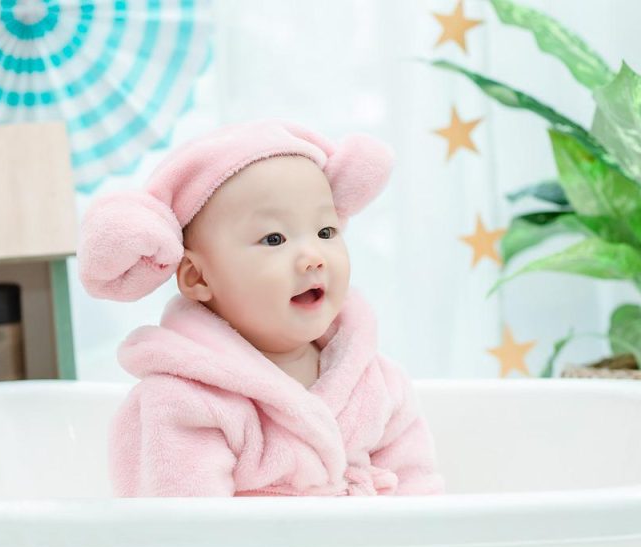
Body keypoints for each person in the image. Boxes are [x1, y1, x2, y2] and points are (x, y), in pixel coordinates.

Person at [78, 119, 443, 497]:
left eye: (326, 232)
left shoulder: (374, 379)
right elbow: (189, 534)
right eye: (274, 239)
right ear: (197, 278)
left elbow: (419, 491)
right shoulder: (185, 402)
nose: (313, 257)